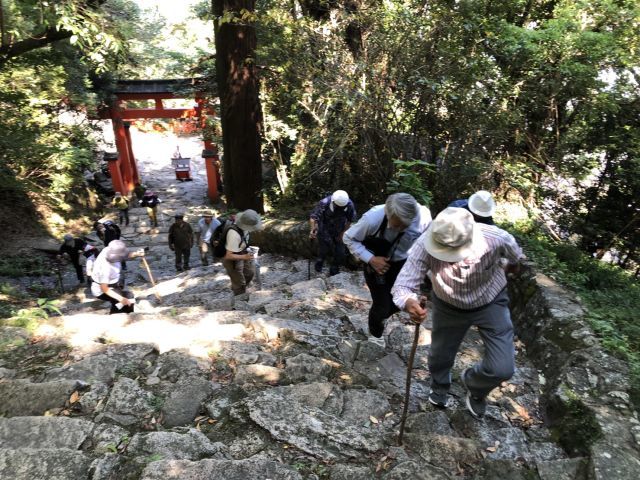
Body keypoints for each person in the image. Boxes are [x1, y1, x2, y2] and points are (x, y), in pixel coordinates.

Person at [391, 207, 524, 419]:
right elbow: (402, 286)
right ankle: (440, 386)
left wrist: (508, 269)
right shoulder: (424, 244)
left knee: (503, 368)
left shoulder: (497, 238)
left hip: (492, 301)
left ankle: (475, 386)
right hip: (448, 305)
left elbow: (516, 258)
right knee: (439, 356)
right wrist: (409, 303)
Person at [343, 193, 432, 338]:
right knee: (382, 307)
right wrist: (371, 259)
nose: (399, 229)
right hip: (374, 264)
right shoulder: (373, 219)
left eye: (405, 226)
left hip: (404, 264)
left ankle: (382, 320)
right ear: (387, 213)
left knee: (399, 302)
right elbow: (349, 238)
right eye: (396, 225)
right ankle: (374, 334)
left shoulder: (424, 218)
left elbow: (427, 245)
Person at [309, 190, 357, 276]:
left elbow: (350, 220)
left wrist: (343, 233)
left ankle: (334, 270)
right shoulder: (324, 202)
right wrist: (313, 229)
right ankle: (318, 265)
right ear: (333, 201)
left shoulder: (349, 204)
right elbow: (313, 217)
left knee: (340, 251)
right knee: (323, 249)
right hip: (324, 228)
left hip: (340, 228)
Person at [91, 240, 144, 314]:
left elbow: (124, 254)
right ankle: (118, 316)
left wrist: (137, 254)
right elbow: (104, 288)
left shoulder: (108, 249)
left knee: (127, 296)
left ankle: (127, 313)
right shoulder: (105, 268)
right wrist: (121, 299)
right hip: (102, 289)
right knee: (125, 299)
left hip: (113, 281)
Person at [221, 209, 262, 297]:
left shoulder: (244, 228)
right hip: (231, 257)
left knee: (250, 273)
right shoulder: (233, 234)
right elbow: (228, 256)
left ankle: (239, 290)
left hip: (241, 251)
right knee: (239, 282)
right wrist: (245, 257)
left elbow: (243, 242)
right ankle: (239, 302)